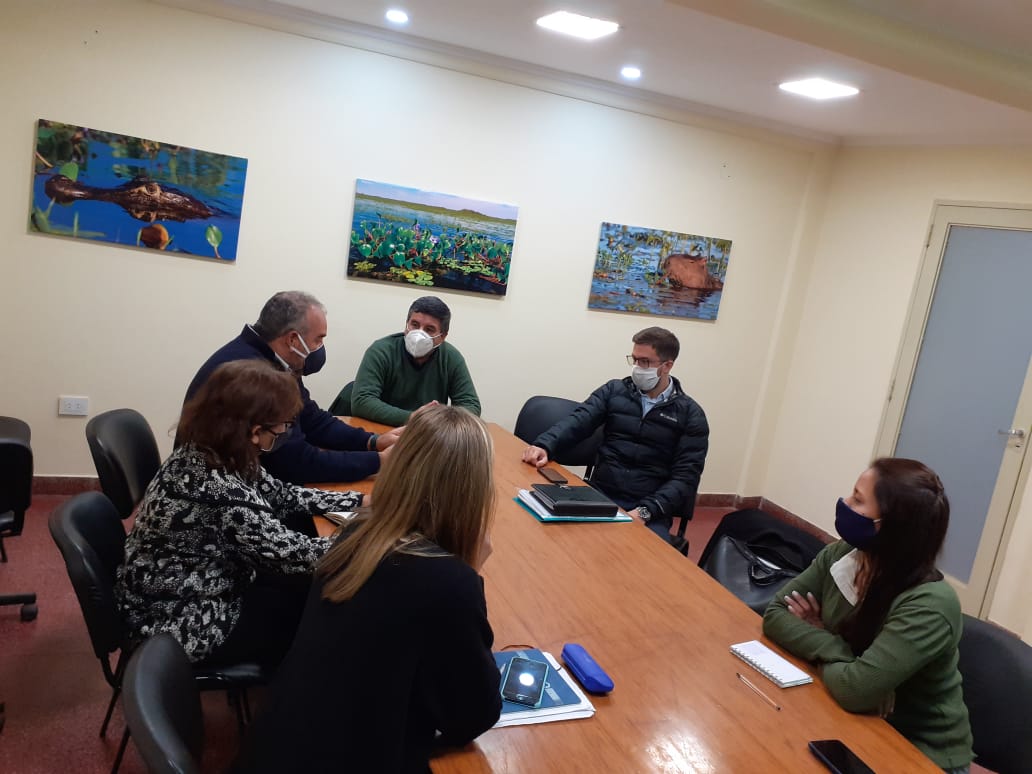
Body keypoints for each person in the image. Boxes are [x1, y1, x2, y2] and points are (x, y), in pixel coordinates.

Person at [235, 404, 502, 773]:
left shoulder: (355, 532)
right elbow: (472, 717)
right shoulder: (449, 583)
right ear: (475, 490)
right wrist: (469, 572)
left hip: (279, 749)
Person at [116, 360, 365, 669]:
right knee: (320, 616)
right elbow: (296, 555)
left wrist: (360, 500)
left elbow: (281, 494)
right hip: (178, 622)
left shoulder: (212, 451)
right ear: (255, 432)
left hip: (179, 591)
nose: (285, 432)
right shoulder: (220, 490)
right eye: (283, 426)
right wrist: (372, 537)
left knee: (307, 595)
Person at [762, 458, 973, 773]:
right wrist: (836, 649)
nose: (845, 503)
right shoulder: (844, 554)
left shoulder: (930, 604)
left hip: (918, 751)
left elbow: (855, 690)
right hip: (847, 716)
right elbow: (776, 614)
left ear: (892, 525)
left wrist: (820, 640)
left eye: (858, 500)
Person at [182, 290, 400, 485]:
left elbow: (311, 419)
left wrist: (373, 442)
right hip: (221, 494)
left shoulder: (276, 361)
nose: (320, 348)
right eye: (318, 339)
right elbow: (296, 463)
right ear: (293, 340)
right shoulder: (254, 375)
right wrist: (378, 461)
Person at [521, 326, 708, 544]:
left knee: (642, 558)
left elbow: (686, 477)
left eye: (645, 362)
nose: (637, 368)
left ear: (667, 366)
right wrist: (544, 445)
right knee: (558, 540)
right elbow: (578, 420)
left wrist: (646, 511)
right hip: (601, 494)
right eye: (634, 359)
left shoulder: (691, 415)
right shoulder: (614, 391)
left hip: (650, 508)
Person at [345, 295, 481, 426]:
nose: (419, 334)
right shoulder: (381, 350)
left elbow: (471, 406)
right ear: (406, 325)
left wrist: (442, 420)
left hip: (427, 433)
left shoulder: (451, 357)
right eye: (414, 325)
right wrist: (413, 418)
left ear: (443, 336)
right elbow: (362, 401)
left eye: (429, 329)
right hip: (382, 429)